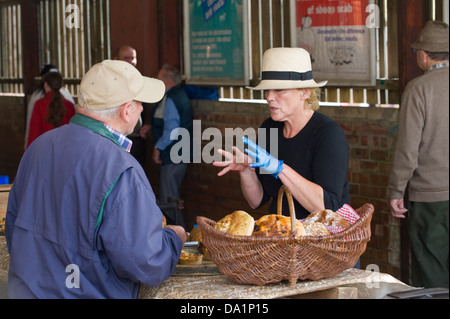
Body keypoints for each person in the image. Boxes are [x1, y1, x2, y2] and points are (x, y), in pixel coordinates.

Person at [5, 60, 186, 299]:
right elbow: (145, 263)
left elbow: (13, 231)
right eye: (140, 102)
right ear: (127, 109)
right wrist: (174, 238)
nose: (143, 109)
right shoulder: (122, 169)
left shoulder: (38, 147)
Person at [213, 47, 350, 220]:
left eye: (279, 90)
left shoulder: (328, 134)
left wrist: (279, 168)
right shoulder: (269, 128)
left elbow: (328, 208)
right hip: (281, 233)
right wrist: (246, 171)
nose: (269, 97)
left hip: (321, 240)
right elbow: (256, 201)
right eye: (267, 90)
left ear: (305, 92)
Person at [389, 21, 449, 289]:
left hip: (430, 199)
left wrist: (396, 190)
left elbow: (407, 150)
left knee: (432, 274)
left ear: (424, 54)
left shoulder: (419, 88)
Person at [150, 64, 193, 226]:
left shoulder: (171, 99)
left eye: (159, 77)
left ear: (167, 80)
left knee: (169, 199)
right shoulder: (178, 95)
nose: (156, 80)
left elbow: (172, 130)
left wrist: (158, 147)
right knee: (171, 195)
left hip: (173, 153)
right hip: (180, 152)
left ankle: (175, 235)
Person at [114, 45, 150, 167]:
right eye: (126, 58)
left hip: (136, 140)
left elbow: (146, 107)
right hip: (116, 139)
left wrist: (148, 123)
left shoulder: (140, 81)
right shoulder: (110, 81)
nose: (130, 62)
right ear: (116, 60)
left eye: (132, 58)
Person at [24, 64, 75, 149]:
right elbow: (73, 132)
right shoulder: (69, 105)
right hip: (64, 151)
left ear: (46, 85)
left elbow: (34, 132)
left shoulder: (39, 104)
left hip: (44, 150)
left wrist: (29, 152)